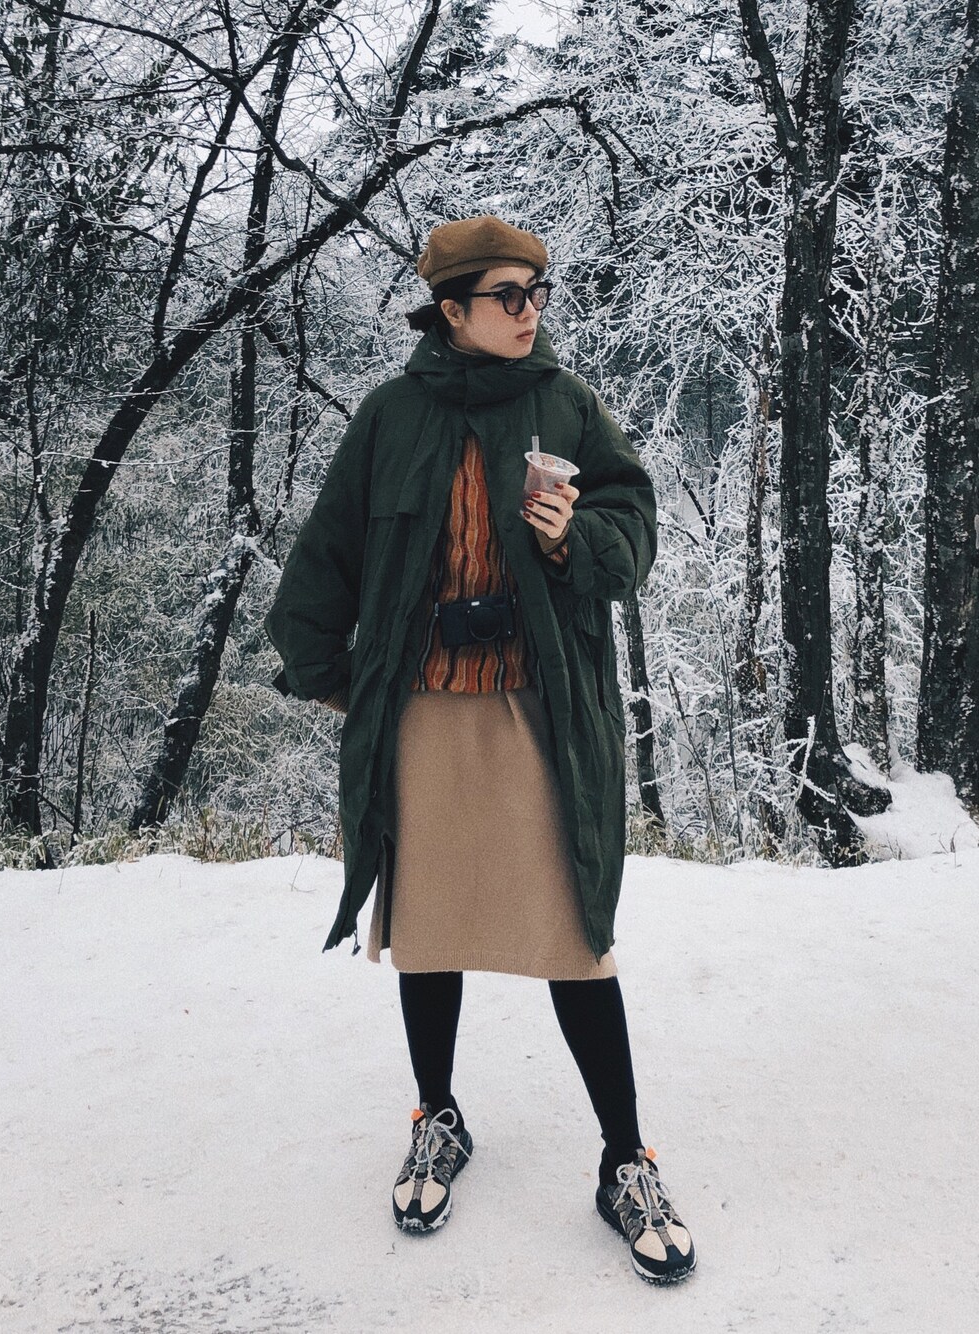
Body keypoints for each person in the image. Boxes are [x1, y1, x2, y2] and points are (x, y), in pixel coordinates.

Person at [265, 215, 696, 1284]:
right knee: (429, 931)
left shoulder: (565, 403)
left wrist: (574, 538)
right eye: (509, 294)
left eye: (538, 290)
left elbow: (635, 524)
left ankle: (625, 1157)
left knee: (574, 936)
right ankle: (438, 1116)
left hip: (537, 710)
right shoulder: (390, 416)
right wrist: (340, 680)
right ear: (451, 310)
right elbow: (323, 560)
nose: (529, 310)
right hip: (424, 711)